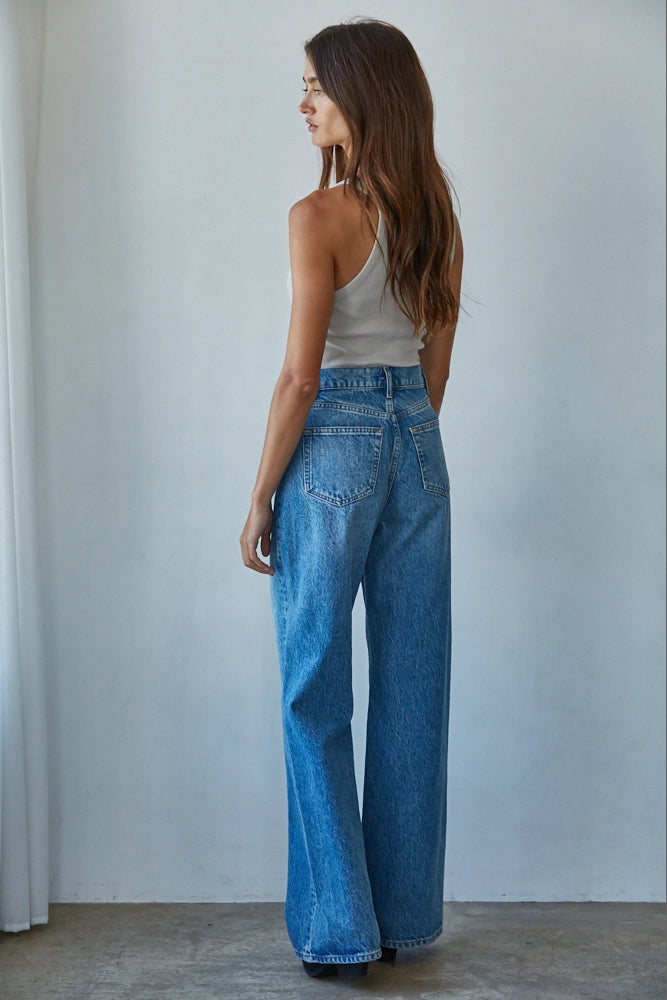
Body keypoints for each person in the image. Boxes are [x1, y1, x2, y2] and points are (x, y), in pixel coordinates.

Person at [240, 18, 463, 981]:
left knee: (311, 686)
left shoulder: (314, 217)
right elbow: (434, 366)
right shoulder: (439, 214)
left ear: (360, 98)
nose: (303, 104)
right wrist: (403, 434)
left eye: (315, 90)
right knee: (413, 685)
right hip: (419, 442)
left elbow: (298, 381)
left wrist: (260, 497)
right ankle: (401, 919)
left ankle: (338, 930)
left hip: (330, 443)